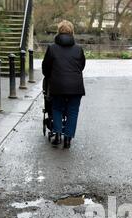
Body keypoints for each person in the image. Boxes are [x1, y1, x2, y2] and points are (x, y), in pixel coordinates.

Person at [42, 20, 86, 149]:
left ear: (58, 32)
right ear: (72, 32)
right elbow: (81, 66)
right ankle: (67, 139)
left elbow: (46, 68)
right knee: (72, 111)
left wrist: (52, 76)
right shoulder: (78, 49)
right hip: (75, 87)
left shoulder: (52, 48)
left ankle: (57, 134)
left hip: (58, 86)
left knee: (57, 108)